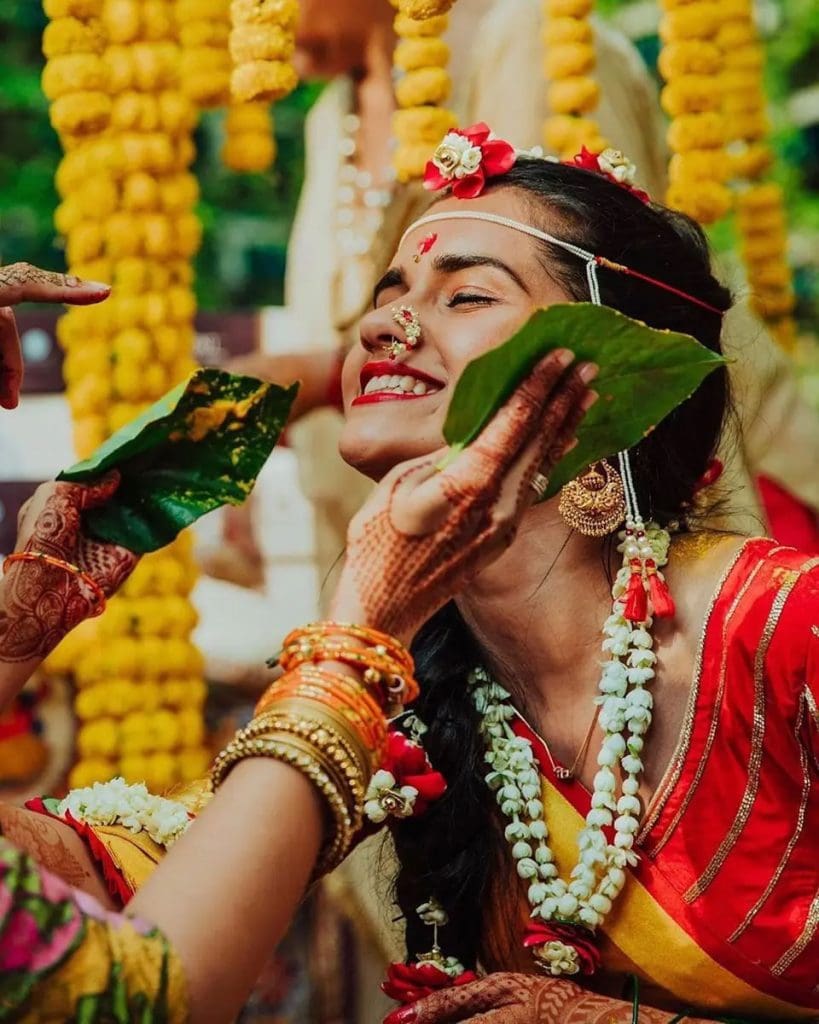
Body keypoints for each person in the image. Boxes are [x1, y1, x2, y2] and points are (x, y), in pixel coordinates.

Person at [13, 130, 819, 1021]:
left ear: (612, 381)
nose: (378, 327)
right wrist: (12, 643)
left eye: (465, 293)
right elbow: (97, 912)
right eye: (385, 294)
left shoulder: (789, 626)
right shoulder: (412, 695)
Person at [236, 0, 819, 576]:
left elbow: (589, 315)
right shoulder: (329, 118)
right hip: (439, 569)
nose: (233, 16)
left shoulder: (534, 41)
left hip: (614, 558)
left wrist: (319, 372)